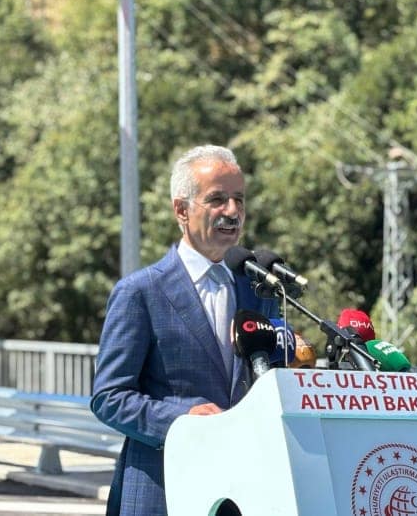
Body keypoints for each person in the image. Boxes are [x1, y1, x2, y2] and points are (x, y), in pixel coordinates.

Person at [90, 144, 279, 516]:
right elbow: (109, 397)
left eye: (239, 200)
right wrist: (180, 420)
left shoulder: (259, 291)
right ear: (181, 210)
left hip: (241, 494)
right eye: (217, 199)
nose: (233, 212)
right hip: (162, 491)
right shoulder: (140, 293)